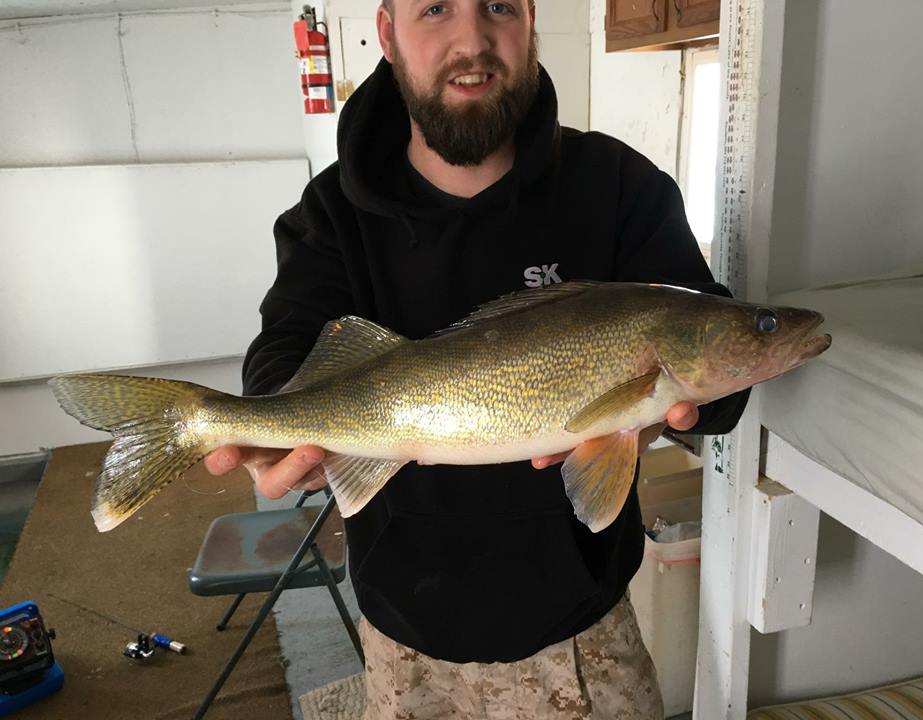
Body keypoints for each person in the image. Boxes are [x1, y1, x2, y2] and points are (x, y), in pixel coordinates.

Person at [205, 1, 748, 717]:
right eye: (436, 8)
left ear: (529, 22)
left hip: (583, 636)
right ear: (389, 31)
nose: (473, 40)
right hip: (403, 642)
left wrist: (666, 412)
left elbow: (722, 365)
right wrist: (278, 422)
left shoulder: (621, 186)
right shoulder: (331, 211)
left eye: (498, 5)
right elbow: (286, 348)